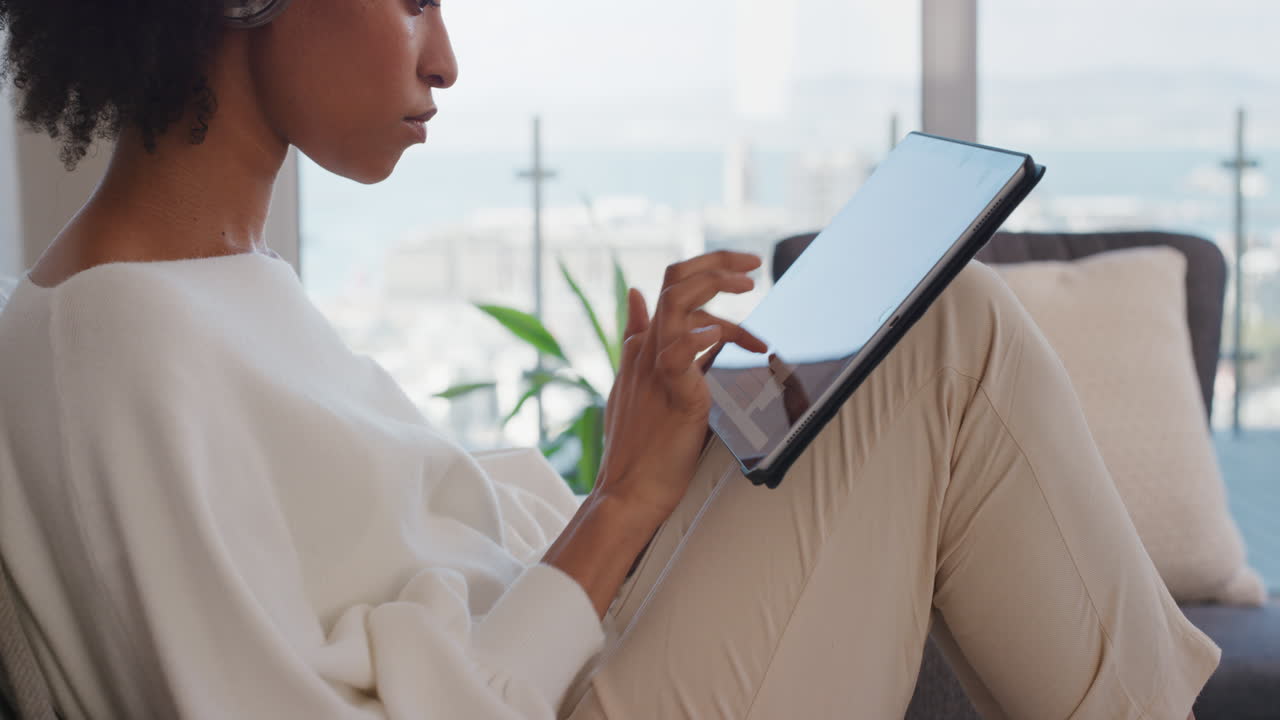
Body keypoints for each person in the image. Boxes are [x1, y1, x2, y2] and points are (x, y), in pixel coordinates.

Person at [0, 1, 1217, 718]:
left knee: (926, 338)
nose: (446, 61)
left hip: (576, 667)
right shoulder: (119, 340)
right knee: (949, 341)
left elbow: (404, 580)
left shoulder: (212, 296)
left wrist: (640, 470)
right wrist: (626, 505)